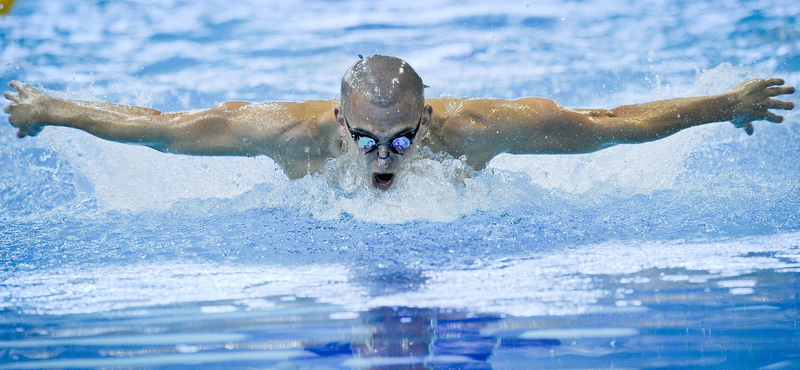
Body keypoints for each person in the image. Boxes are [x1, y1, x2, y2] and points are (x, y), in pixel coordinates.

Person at [4, 54, 795, 190]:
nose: (386, 161)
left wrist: (723, 107)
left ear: (427, 115)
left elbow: (608, 123)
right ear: (340, 121)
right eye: (368, 140)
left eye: (404, 138)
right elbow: (160, 127)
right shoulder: (282, 132)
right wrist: (53, 111)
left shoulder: (480, 128)